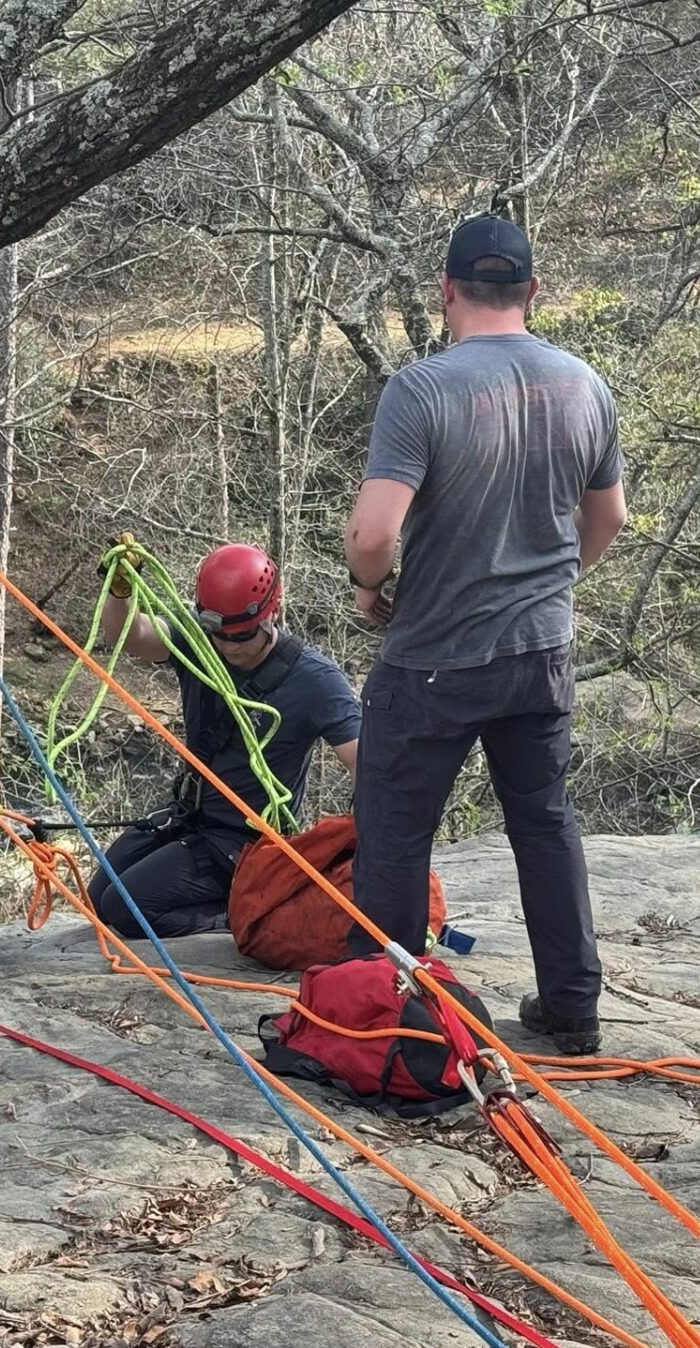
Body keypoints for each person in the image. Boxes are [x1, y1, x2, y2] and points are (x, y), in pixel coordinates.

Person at [343, 215, 628, 1056]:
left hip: (433, 655)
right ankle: (572, 1009)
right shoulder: (585, 386)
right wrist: (552, 586)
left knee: (396, 832)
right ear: (532, 291)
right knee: (543, 822)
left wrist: (370, 587)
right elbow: (610, 518)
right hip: (541, 652)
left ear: (447, 291)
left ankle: (397, 1024)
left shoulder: (423, 390)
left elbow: (372, 535)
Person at [90, 542, 360, 938]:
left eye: (243, 635)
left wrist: (366, 842)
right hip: (190, 816)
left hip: (245, 842)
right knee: (98, 898)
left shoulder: (315, 681)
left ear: (273, 612)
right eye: (219, 634)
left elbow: (363, 759)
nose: (229, 646)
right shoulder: (200, 641)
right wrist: (120, 590)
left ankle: (241, 916)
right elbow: (131, 636)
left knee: (126, 909)